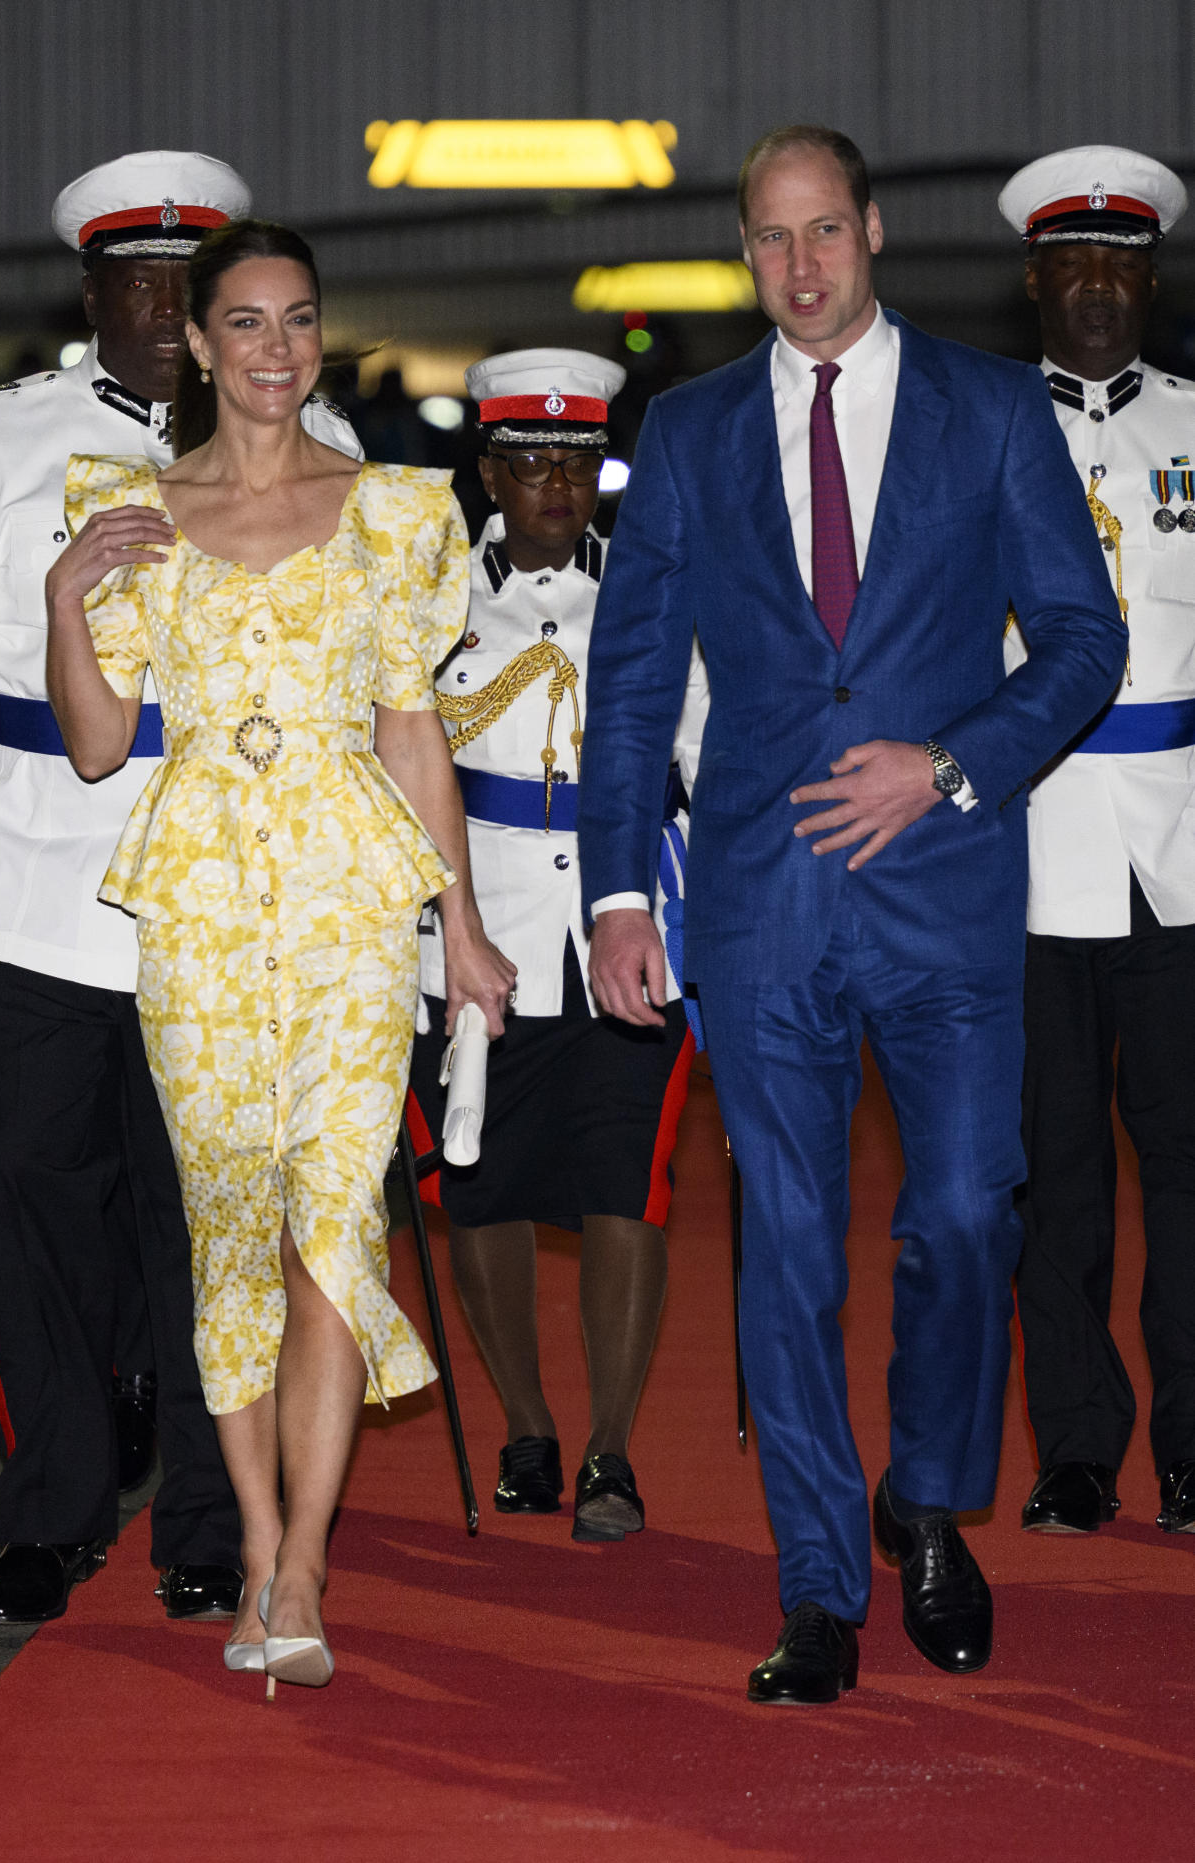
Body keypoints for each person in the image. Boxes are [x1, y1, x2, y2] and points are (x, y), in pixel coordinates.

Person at [578, 124, 1127, 1705]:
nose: (800, 268)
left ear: (874, 230)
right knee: (789, 1253)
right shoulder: (681, 435)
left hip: (946, 894)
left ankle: (929, 1499)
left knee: (965, 1211)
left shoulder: (987, 407)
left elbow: (1082, 643)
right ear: (742, 250)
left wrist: (950, 766)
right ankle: (819, 1581)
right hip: (756, 904)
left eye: (824, 232)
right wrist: (622, 891)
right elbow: (627, 692)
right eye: (770, 239)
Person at [45, 218, 514, 1690]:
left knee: (333, 1225)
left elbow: (411, 728)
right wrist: (65, 598)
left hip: (347, 906)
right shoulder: (132, 511)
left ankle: (303, 1560)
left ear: (320, 334)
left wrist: (464, 920)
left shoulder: (389, 512)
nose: (273, 351)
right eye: (242, 325)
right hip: (198, 916)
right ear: (195, 342)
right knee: (232, 1238)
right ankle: (251, 1539)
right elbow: (95, 741)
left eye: (296, 321)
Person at [0, 152, 359, 1626]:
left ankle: (203, 1510)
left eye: (191, 290)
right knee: (26, 1192)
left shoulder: (307, 439)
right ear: (94, 292)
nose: (165, 310)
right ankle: (53, 1508)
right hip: (30, 875)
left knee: (214, 1214)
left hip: (231, 886)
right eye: (138, 283)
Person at [406, 350, 707, 1540]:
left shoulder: (651, 590)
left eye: (576, 464)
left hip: (626, 929)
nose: (556, 487)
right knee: (480, 1190)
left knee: (626, 1181)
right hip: (477, 936)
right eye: (529, 463)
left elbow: (705, 753)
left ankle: (612, 1452)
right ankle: (527, 1426)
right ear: (487, 472)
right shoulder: (427, 601)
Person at [998, 148, 1195, 1538]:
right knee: (1049, 1171)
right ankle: (1075, 1443)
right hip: (1026, 852)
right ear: (1033, 282)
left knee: (1186, 1171)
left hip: (1183, 847)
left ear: (1147, 280)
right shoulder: (978, 437)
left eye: (1118, 267)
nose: (1094, 291)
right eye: (1070, 267)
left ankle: (1191, 1444)